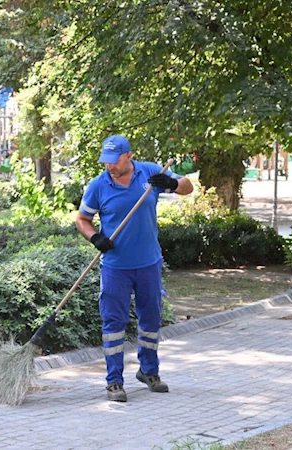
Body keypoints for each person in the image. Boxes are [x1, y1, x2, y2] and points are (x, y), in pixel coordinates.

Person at [75, 135, 194, 402]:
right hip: (116, 268)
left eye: (113, 161)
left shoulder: (151, 172)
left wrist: (173, 183)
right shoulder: (98, 185)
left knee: (151, 321)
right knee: (114, 324)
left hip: (149, 263)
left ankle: (149, 371)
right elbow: (82, 219)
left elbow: (188, 187)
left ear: (129, 156)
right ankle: (114, 381)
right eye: (105, 161)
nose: (109, 166)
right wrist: (95, 237)